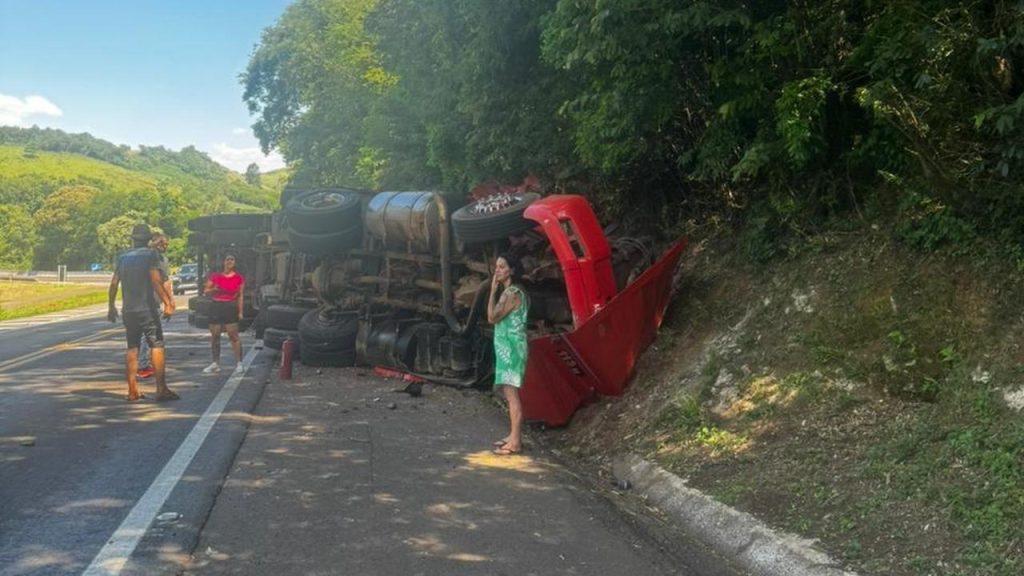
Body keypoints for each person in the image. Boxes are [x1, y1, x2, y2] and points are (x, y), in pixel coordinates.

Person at [108, 224, 178, 402]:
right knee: (157, 344)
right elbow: (155, 280)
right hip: (147, 308)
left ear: (133, 239)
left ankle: (132, 390)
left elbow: (114, 282)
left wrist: (111, 306)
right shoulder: (151, 255)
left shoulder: (122, 257)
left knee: (132, 347)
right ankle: (161, 388)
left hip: (128, 309)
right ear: (148, 239)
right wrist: (167, 302)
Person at [487, 253, 529, 455]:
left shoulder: (510, 293)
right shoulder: (519, 292)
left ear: (511, 270)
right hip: (512, 347)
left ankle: (516, 442)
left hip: (511, 349)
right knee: (509, 393)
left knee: (512, 395)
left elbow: (492, 317)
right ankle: (512, 436)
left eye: (502, 267)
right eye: (497, 267)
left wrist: (492, 291)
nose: (498, 270)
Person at [203, 253, 245, 374]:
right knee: (215, 335)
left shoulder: (239, 278)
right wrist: (214, 290)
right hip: (216, 305)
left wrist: (240, 312)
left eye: (232, 259)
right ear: (224, 262)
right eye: (228, 259)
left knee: (233, 336)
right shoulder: (215, 276)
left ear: (235, 263)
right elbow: (206, 291)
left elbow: (240, 296)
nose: (230, 261)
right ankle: (215, 363)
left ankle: (239, 363)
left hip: (230, 306)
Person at [137, 233, 171, 379]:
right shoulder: (159, 260)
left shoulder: (135, 257)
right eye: (162, 244)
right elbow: (163, 282)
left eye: (165, 245)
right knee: (153, 336)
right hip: (151, 302)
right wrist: (169, 302)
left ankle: (140, 364)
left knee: (137, 337)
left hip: (136, 302)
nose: (164, 247)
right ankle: (144, 365)